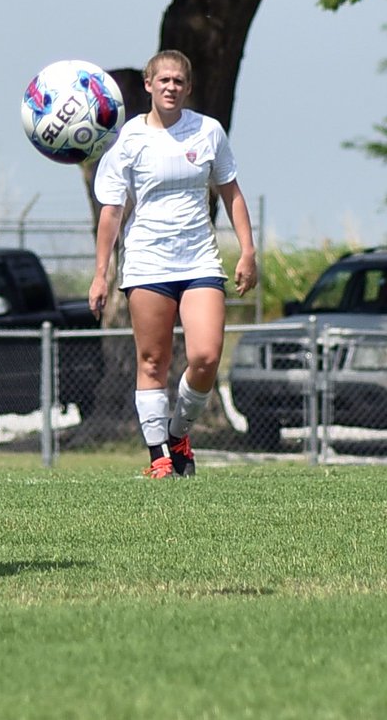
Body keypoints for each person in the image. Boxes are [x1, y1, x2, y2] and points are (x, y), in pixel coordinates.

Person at [89, 50, 258, 478]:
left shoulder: (208, 132)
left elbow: (231, 192)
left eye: (178, 81)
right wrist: (100, 274)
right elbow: (111, 211)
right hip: (147, 262)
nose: (170, 87)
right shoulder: (129, 140)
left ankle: (179, 431)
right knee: (153, 362)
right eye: (162, 80)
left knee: (205, 356)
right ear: (148, 85)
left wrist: (248, 251)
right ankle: (159, 457)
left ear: (188, 87)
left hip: (199, 258)